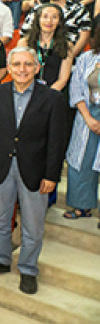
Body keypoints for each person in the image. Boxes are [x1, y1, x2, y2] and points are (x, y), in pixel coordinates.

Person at [0, 47, 66, 294]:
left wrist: (51, 175)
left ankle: (27, 269)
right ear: (10, 67)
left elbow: (56, 142)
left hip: (35, 171)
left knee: (33, 226)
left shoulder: (52, 98)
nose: (22, 69)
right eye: (16, 64)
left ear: (37, 68)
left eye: (28, 64)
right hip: (1, 167)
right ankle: (1, 260)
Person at [63, 26, 100, 220]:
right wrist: (88, 118)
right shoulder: (87, 58)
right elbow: (76, 89)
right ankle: (81, 206)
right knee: (81, 161)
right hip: (87, 115)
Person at [21, 0, 91, 55]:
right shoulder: (38, 9)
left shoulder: (78, 9)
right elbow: (26, 34)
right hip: (38, 57)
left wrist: (70, 57)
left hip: (69, 56)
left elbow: (84, 37)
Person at [16, 3, 73, 91]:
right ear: (38, 19)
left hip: (54, 93)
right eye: (45, 17)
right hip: (28, 90)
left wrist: (47, 97)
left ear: (59, 22)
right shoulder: (24, 43)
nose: (49, 21)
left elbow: (63, 79)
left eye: (54, 17)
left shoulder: (67, 45)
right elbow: (20, 72)